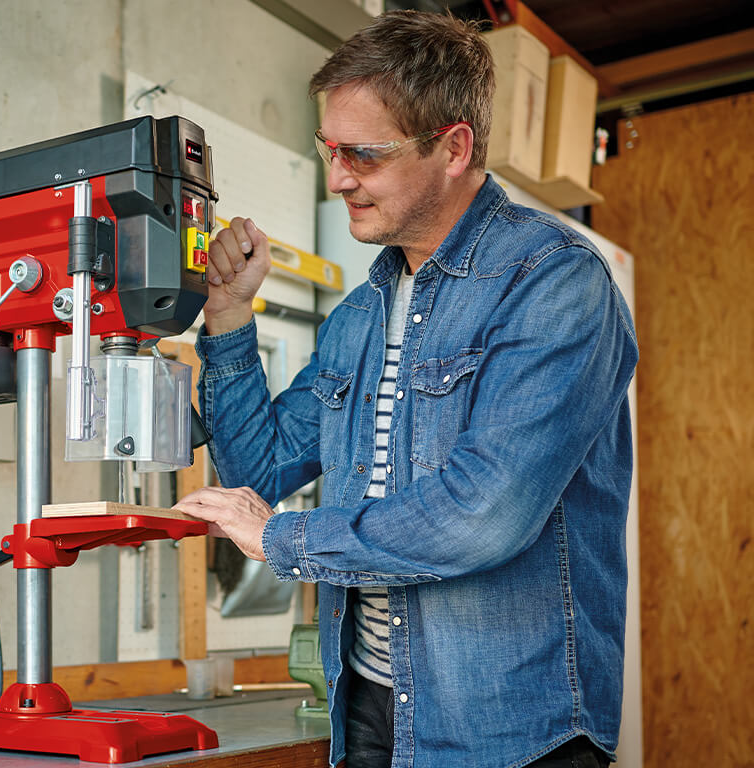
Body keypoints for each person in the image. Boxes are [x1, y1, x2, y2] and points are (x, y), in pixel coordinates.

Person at [174, 10, 637, 768]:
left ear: (453, 147)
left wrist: (287, 538)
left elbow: (482, 515)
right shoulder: (360, 317)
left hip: (509, 730)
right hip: (367, 708)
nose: (338, 177)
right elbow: (257, 473)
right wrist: (228, 317)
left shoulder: (554, 282)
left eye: (364, 153)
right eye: (329, 150)